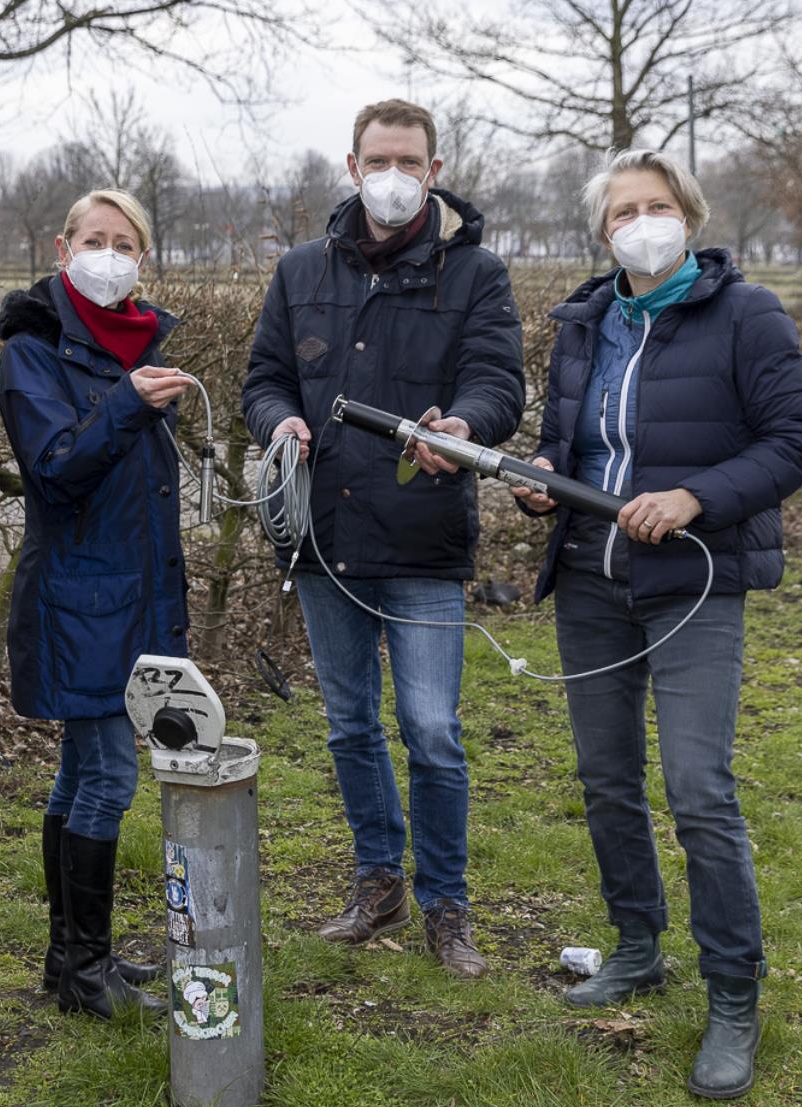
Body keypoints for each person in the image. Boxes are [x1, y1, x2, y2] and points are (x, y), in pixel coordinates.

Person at [509, 149, 802, 1099]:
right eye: (622, 213)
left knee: (698, 789)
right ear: (604, 235)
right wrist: (537, 486)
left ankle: (734, 995)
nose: (642, 223)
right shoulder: (584, 321)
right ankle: (637, 945)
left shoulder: (748, 315)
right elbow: (570, 446)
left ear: (689, 213)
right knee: (607, 780)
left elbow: (794, 443)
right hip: (594, 585)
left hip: (692, 583)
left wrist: (693, 496)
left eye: (658, 206)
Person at [242, 99, 525, 978]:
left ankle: (447, 904)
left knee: (431, 727)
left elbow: (497, 381)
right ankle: (378, 883)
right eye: (378, 159)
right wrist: (279, 421)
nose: (393, 175)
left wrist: (465, 428)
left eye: (410, 160)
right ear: (354, 165)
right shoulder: (299, 271)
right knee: (350, 725)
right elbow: (264, 377)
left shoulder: (475, 275)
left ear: (434, 171)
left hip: (425, 540)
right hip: (326, 542)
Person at [0, 188, 189, 1019]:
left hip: (131, 600)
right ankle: (86, 968)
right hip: (78, 602)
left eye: (126, 244)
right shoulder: (32, 353)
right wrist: (127, 405)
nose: (110, 255)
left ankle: (68, 959)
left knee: (80, 775)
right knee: (108, 776)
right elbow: (56, 466)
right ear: (62, 246)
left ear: (142, 260)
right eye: (95, 240)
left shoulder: (132, 348)